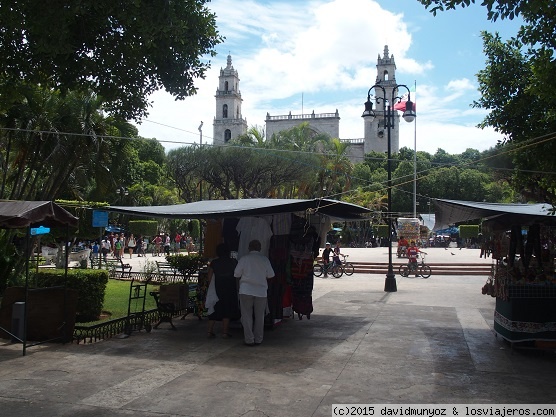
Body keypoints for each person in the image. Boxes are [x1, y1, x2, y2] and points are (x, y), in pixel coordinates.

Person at [234, 239, 275, 346]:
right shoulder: (264, 260)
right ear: (260, 248)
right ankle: (258, 339)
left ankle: (249, 339)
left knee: (246, 316)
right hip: (261, 291)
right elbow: (271, 275)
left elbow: (236, 274)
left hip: (245, 290)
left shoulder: (244, 259)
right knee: (260, 316)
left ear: (249, 248)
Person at [206, 243, 240, 339]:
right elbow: (237, 276)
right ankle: (225, 332)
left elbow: (209, 277)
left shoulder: (214, 262)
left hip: (217, 288)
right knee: (227, 310)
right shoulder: (234, 262)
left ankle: (209, 331)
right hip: (230, 288)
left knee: (213, 309)